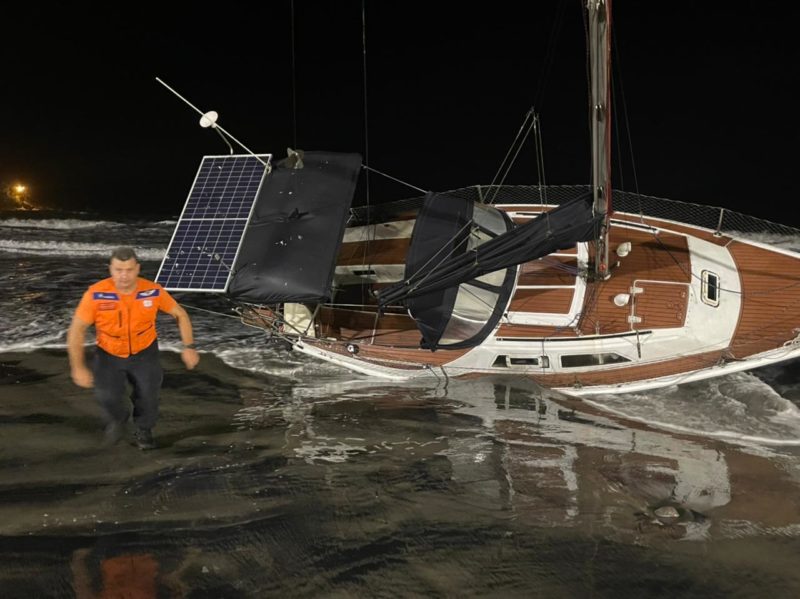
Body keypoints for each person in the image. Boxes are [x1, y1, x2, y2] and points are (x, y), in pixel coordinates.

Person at [67, 247, 200, 449]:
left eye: (129, 269)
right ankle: (118, 419)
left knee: (148, 396)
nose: (124, 275)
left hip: (144, 353)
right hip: (108, 354)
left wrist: (189, 346)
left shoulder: (153, 291)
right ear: (110, 269)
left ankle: (143, 429)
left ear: (138, 268)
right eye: (119, 270)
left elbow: (180, 314)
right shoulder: (96, 294)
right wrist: (78, 367)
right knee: (107, 396)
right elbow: (77, 330)